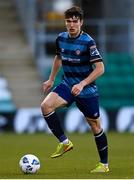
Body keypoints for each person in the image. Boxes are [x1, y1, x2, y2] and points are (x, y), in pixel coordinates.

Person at [41, 6, 109, 173]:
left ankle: (104, 165)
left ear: (81, 22)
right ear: (65, 22)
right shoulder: (61, 38)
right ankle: (65, 143)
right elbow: (58, 57)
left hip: (86, 90)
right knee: (45, 106)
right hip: (67, 84)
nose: (71, 25)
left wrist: (82, 84)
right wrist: (51, 79)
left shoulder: (88, 42)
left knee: (95, 125)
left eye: (75, 21)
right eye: (68, 21)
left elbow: (100, 68)